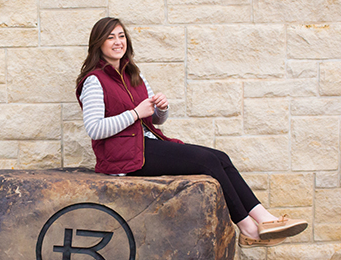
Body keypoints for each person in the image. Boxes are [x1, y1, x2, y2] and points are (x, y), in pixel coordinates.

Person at [75, 17, 307, 247]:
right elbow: (94, 129)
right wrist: (135, 113)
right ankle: (248, 228)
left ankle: (265, 218)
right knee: (207, 161)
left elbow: (153, 120)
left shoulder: (134, 73)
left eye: (121, 36)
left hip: (144, 145)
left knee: (220, 157)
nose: (118, 42)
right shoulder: (94, 80)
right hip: (124, 156)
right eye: (110, 37)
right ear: (99, 44)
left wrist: (161, 109)